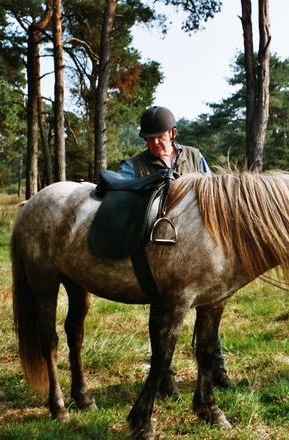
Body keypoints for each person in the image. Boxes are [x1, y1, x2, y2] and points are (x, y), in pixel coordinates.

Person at [119, 106, 236, 394]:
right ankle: (165, 374)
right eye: (148, 139)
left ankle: (217, 368)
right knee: (163, 311)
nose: (154, 143)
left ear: (172, 134)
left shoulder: (194, 157)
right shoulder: (134, 165)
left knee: (211, 305)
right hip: (161, 248)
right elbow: (120, 193)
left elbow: (214, 195)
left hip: (198, 247)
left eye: (159, 137)